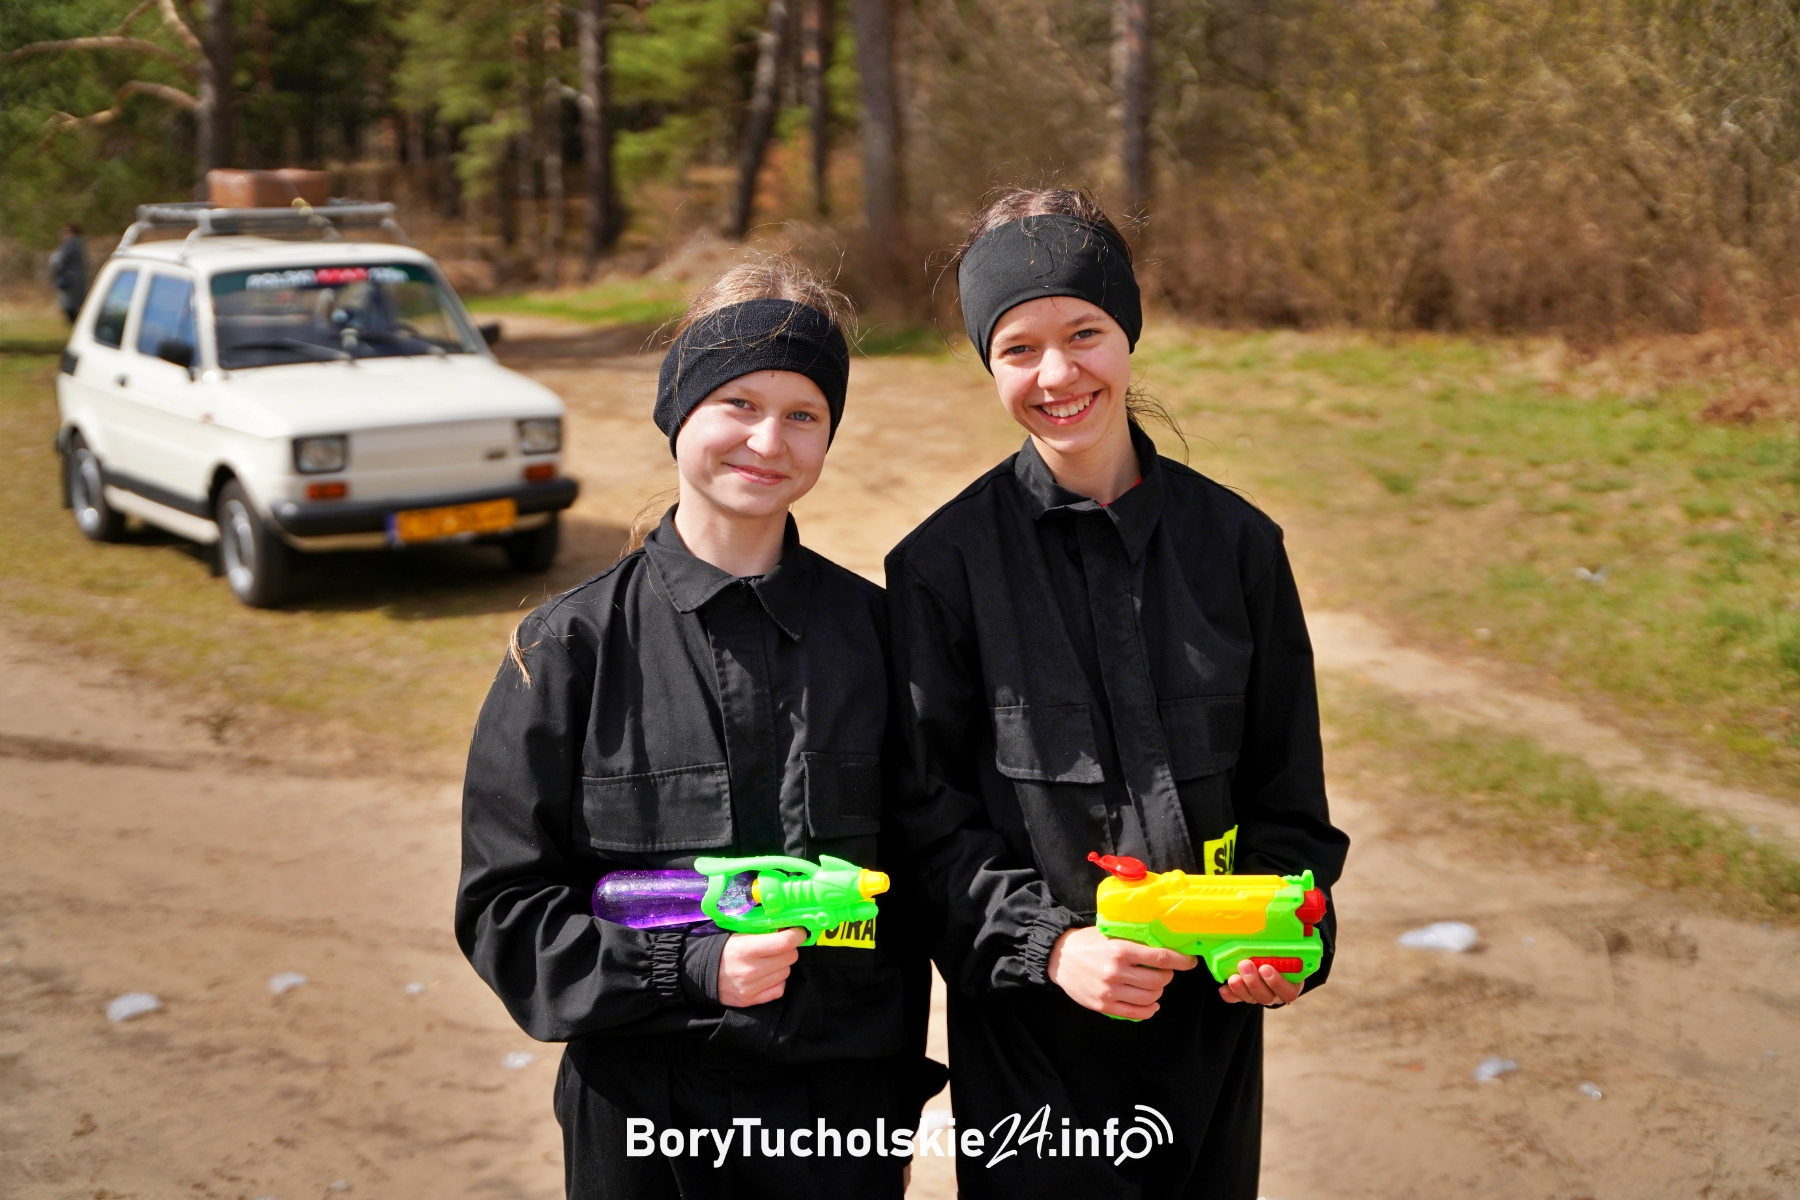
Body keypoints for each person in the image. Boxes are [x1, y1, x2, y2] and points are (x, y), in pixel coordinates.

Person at [885, 189, 1351, 1199]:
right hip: (1030, 1046)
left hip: (1207, 1045)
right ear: (989, 364)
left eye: (1084, 334)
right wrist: (1051, 947)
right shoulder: (941, 569)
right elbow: (928, 830)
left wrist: (1285, 940)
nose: (1058, 375)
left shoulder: (1239, 548)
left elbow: (1290, 801)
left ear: (1127, 334)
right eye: (1018, 348)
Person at [458, 259, 939, 1199]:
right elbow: (505, 913)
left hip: (840, 1121)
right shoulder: (567, 649)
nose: (768, 439)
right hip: (645, 1121)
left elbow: (943, 870)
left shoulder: (885, 639)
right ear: (679, 409)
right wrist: (689, 964)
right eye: (738, 403)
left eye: (803, 414)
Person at [49, 223, 88, 325]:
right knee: (73, 304)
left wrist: (54, 262)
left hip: (70, 279)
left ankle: (75, 324)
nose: (62, 234)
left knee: (70, 305)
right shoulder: (78, 243)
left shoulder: (71, 244)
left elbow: (59, 259)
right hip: (74, 278)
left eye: (66, 231)